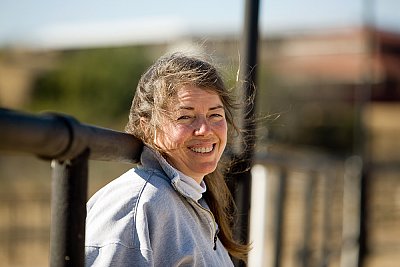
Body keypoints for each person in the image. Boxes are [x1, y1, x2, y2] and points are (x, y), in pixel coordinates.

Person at [85, 52, 251, 266]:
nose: (205, 130)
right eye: (185, 117)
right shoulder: (137, 206)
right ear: (147, 128)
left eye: (215, 115)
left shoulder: (193, 198)